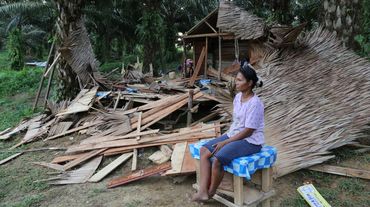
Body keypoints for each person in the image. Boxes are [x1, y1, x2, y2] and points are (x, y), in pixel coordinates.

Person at [192, 62, 264, 202]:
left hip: (251, 141)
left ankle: (211, 192)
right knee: (204, 151)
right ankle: (202, 191)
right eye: (236, 79)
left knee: (219, 158)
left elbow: (249, 131)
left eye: (239, 80)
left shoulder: (255, 103)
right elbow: (237, 123)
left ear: (249, 83)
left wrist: (225, 142)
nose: (235, 82)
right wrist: (226, 137)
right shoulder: (238, 98)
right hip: (235, 135)